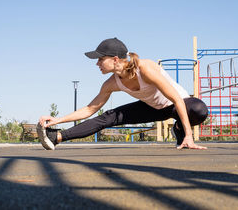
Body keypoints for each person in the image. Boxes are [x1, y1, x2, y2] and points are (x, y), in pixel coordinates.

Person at [38, 38, 209, 150]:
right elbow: (90, 109)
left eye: (100, 59)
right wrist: (58, 120)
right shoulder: (111, 83)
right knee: (107, 117)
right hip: (151, 107)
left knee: (199, 109)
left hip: (178, 104)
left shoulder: (145, 69)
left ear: (115, 59)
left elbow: (176, 99)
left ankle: (179, 128)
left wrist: (189, 135)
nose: (97, 63)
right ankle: (57, 137)